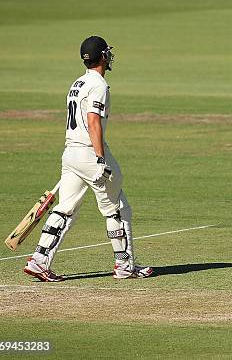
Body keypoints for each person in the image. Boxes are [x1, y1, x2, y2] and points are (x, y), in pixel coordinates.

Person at [23, 36, 153, 282]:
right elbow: (93, 121)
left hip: (70, 153)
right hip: (90, 153)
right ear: (103, 56)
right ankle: (125, 265)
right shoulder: (99, 85)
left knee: (66, 208)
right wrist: (100, 158)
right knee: (116, 208)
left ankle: (39, 260)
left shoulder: (77, 82)